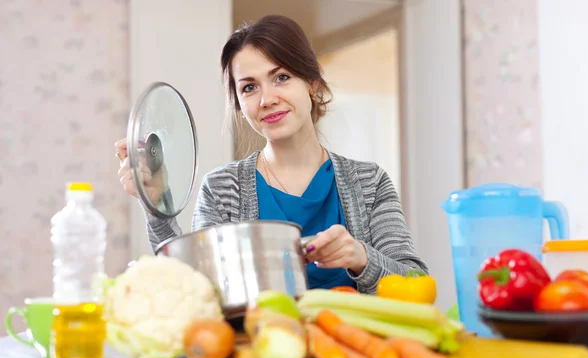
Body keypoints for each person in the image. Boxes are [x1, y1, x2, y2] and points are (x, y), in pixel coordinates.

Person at [115, 14, 428, 295]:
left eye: (281, 77)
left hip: (357, 355)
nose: (267, 99)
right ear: (239, 105)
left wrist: (362, 257)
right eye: (249, 88)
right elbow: (194, 293)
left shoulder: (369, 182)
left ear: (312, 84)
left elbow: (417, 282)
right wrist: (157, 205)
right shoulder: (222, 189)